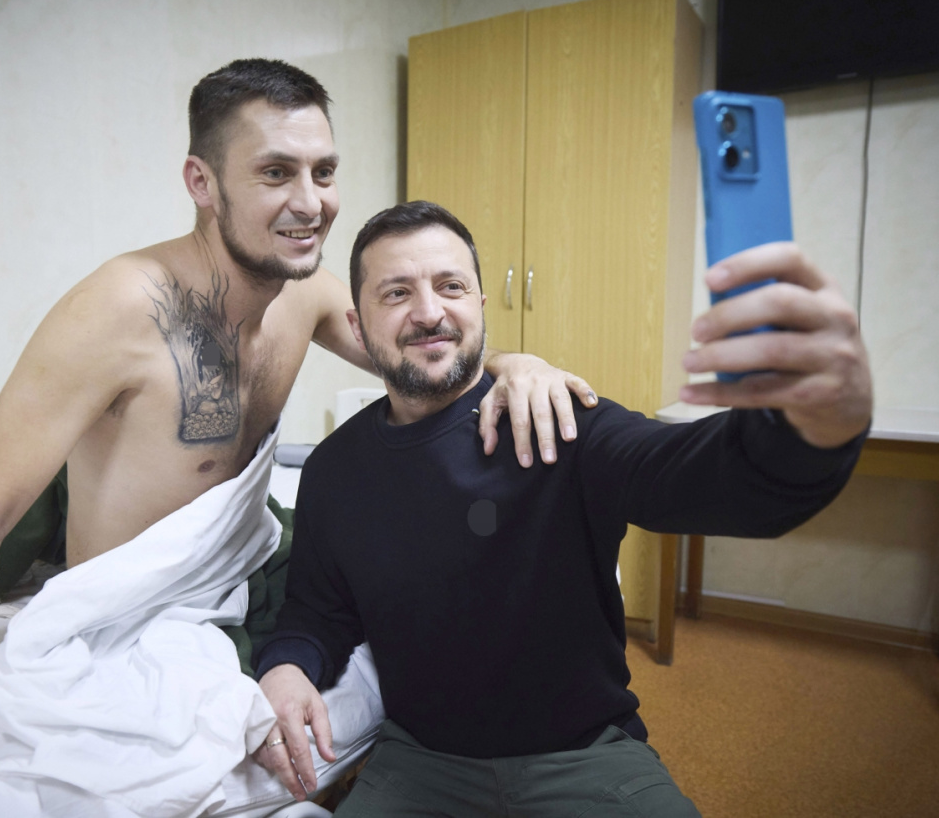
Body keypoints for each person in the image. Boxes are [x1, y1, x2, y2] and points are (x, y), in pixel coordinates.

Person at [0, 62, 595, 816]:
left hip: (248, 576)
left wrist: (519, 364)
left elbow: (428, 352)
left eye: (323, 172)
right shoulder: (119, 308)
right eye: (275, 173)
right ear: (202, 183)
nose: (311, 202)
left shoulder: (308, 294)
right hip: (131, 616)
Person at [253, 201, 872, 815]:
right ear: (358, 326)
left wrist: (810, 422)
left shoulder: (555, 419)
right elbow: (318, 609)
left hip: (585, 756)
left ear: (480, 306)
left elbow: (709, 479)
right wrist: (287, 667)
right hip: (420, 761)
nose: (429, 311)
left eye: (451, 286)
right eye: (396, 293)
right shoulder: (335, 470)